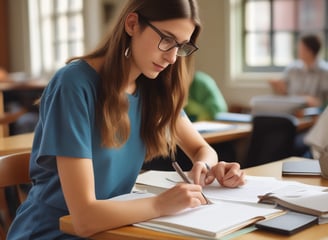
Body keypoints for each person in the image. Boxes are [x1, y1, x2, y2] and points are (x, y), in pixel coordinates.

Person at [7, 0, 245, 239]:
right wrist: (160, 204)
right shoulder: (73, 85)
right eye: (167, 39)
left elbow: (202, 149)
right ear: (132, 24)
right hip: (53, 232)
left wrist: (205, 167)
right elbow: (84, 219)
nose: (173, 57)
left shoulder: (153, 90)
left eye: (181, 46)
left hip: (114, 230)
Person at [269, 34, 328, 109]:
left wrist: (316, 102)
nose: (298, 50)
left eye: (301, 48)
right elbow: (284, 93)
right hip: (292, 109)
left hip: (315, 112)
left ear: (309, 51)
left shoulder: (324, 71)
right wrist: (278, 86)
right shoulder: (292, 69)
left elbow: (325, 102)